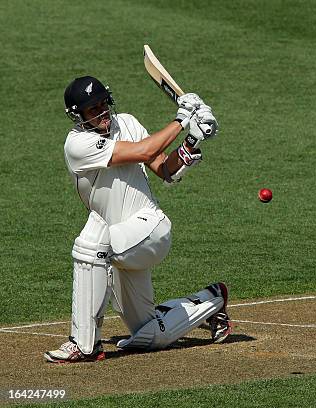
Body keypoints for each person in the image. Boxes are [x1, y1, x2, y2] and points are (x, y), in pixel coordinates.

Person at [45, 76, 232, 363]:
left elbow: (164, 168)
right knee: (148, 334)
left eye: (102, 105)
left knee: (93, 236)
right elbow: (142, 151)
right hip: (119, 244)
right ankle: (212, 299)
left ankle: (83, 345)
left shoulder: (128, 123)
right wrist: (184, 121)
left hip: (149, 230)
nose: (101, 113)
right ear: (78, 116)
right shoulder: (77, 144)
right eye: (92, 110)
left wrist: (192, 140)